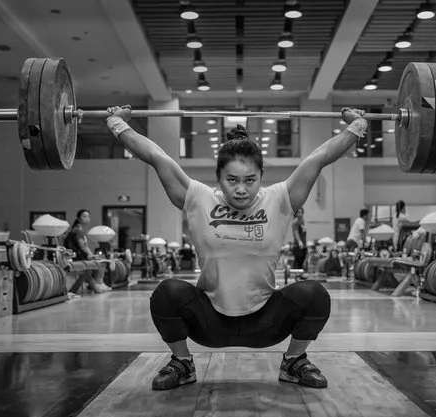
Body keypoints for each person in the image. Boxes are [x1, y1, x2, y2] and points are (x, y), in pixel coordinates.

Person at [105, 104, 369, 390]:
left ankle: (294, 361)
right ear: (218, 178)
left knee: (314, 294)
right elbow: (157, 157)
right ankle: (182, 362)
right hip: (209, 322)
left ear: (260, 177)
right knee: (167, 293)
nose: (241, 189)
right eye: (232, 180)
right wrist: (118, 124)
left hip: (266, 321)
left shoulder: (280, 199)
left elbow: (319, 158)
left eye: (249, 180)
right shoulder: (198, 198)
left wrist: (356, 127)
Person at [64, 209, 111, 294]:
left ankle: (98, 282)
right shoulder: (77, 230)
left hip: (81, 255)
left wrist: (92, 255)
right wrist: (91, 256)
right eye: (84, 216)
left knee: (101, 259)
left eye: (88, 216)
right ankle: (96, 284)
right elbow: (83, 247)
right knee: (100, 260)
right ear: (78, 218)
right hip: (76, 256)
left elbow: (85, 247)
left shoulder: (80, 229)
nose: (86, 218)